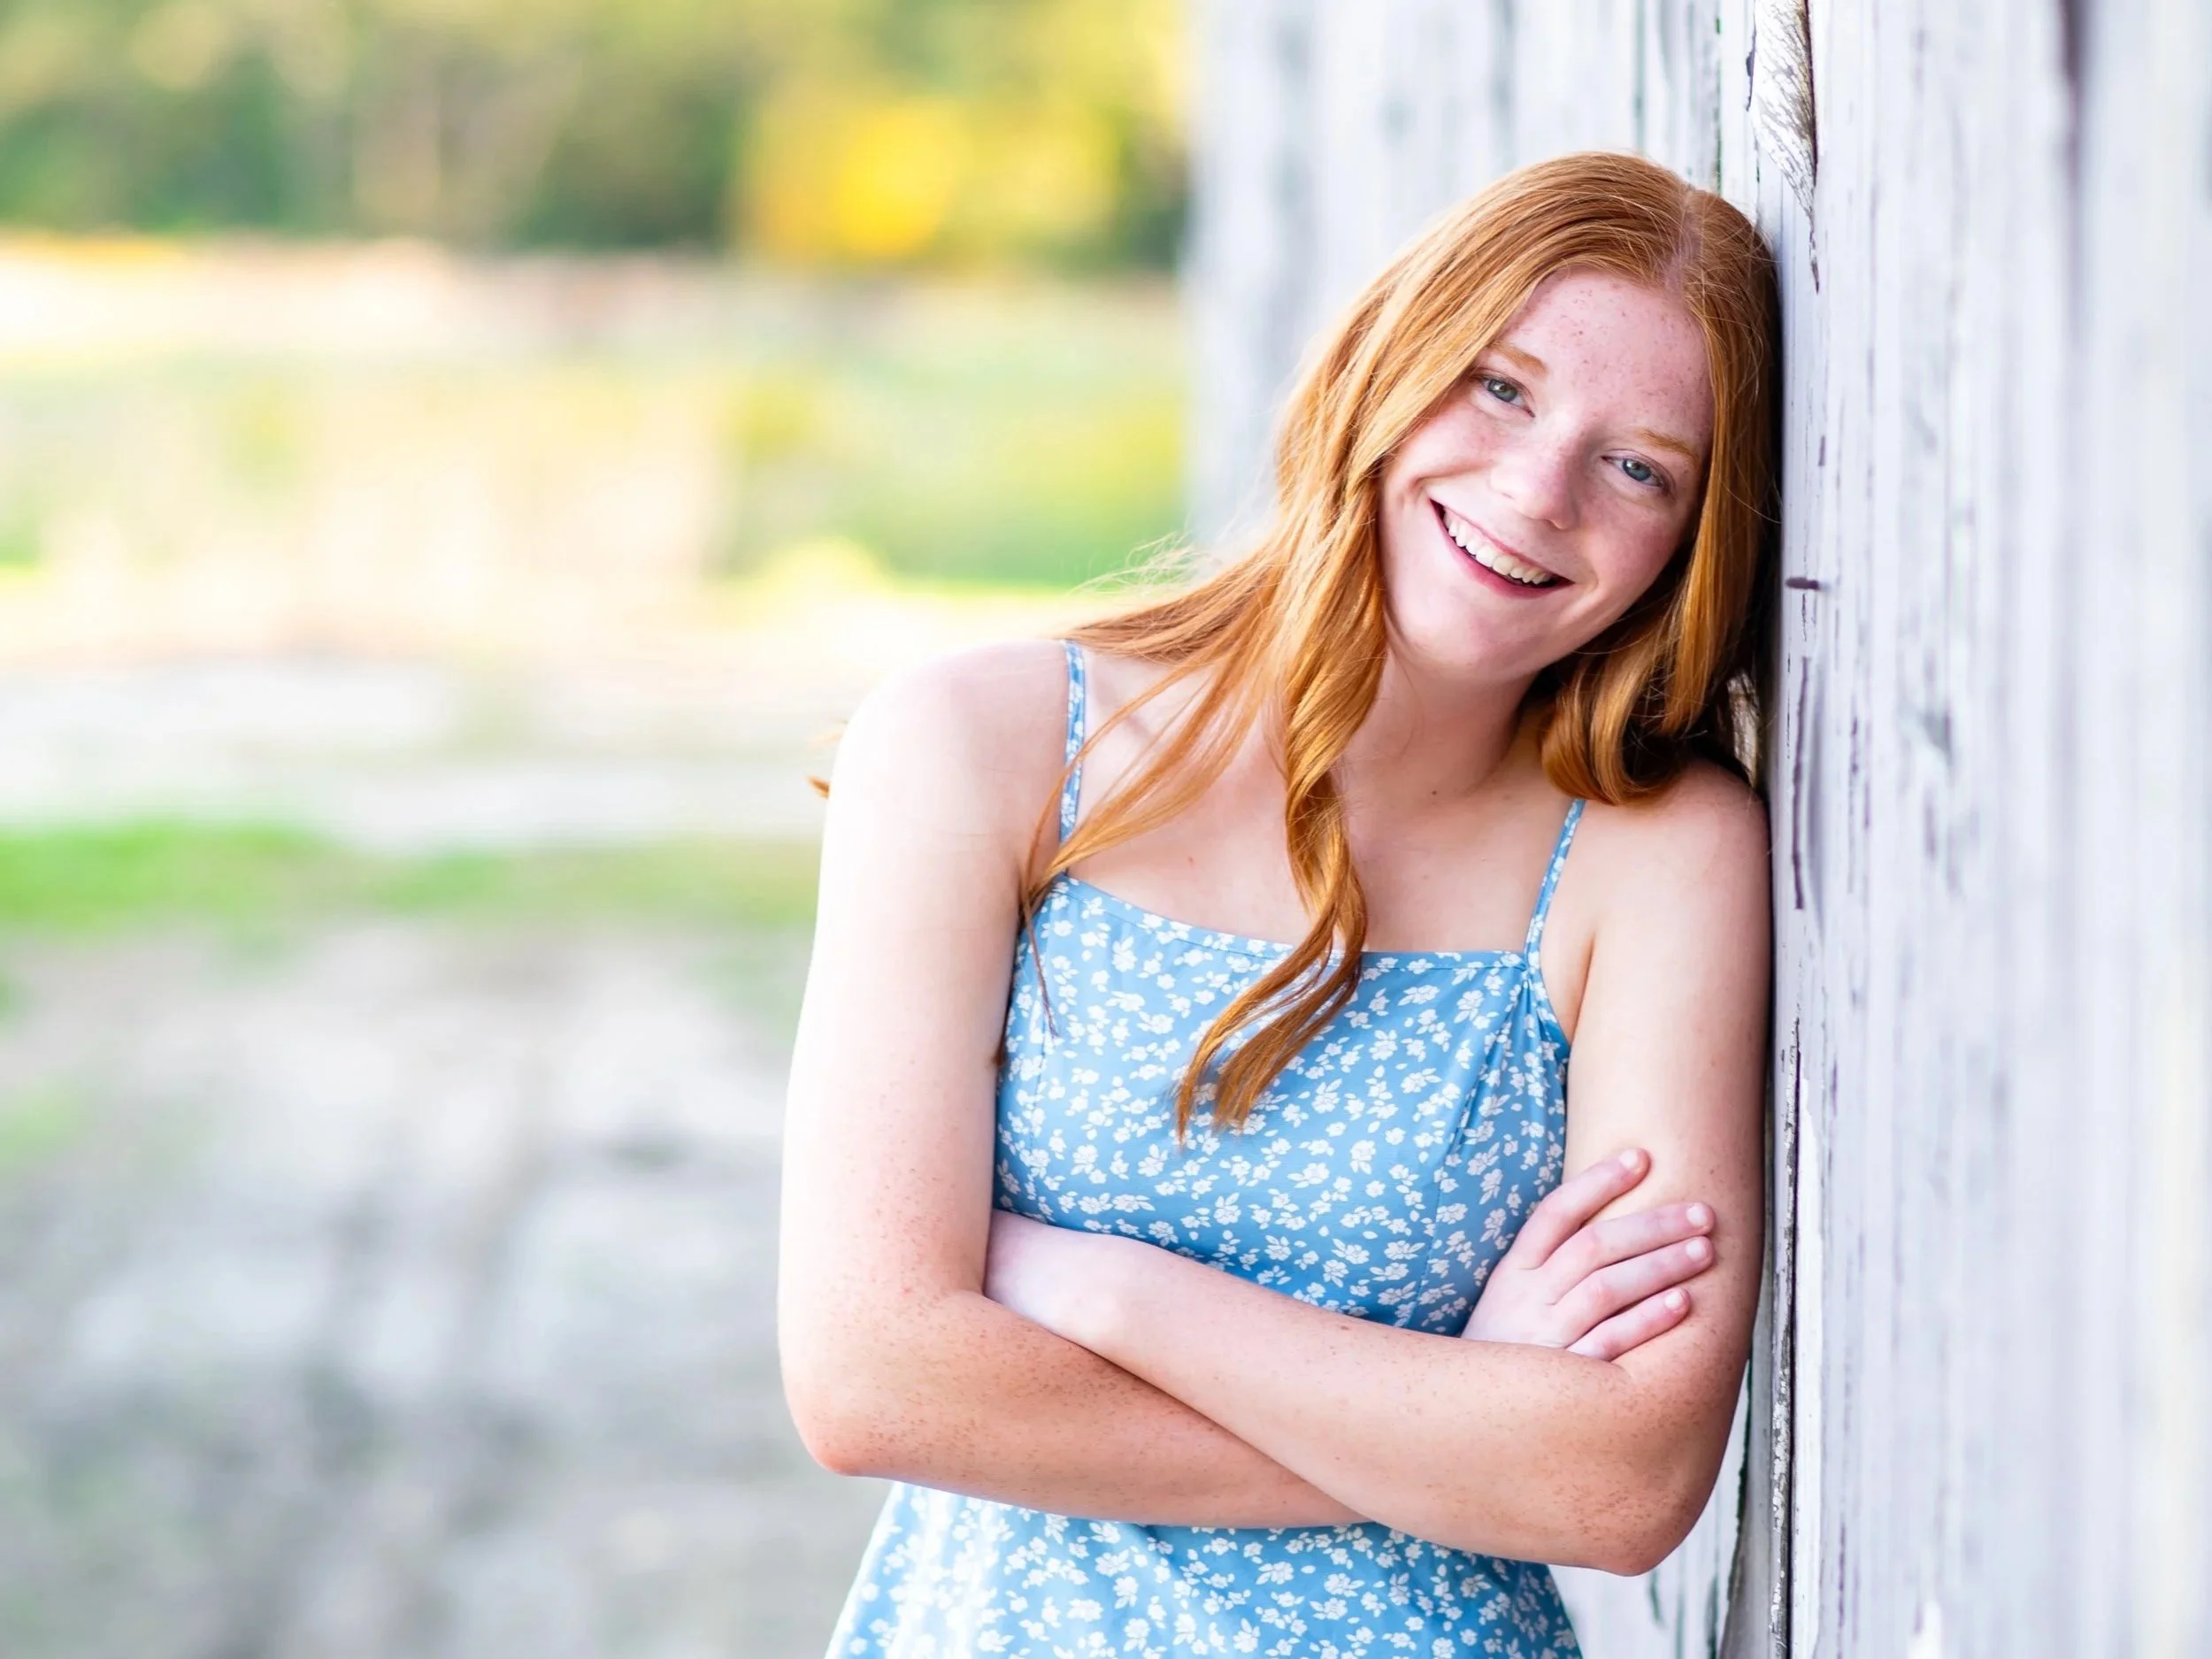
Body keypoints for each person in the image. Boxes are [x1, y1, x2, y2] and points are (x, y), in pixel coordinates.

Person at [780, 150, 1778, 1659]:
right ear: (1389, 359)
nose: (1537, 491)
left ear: (1693, 544)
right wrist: (1451, 1422)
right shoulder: (980, 749)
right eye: (1498, 389)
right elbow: (872, 1379)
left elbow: (1617, 1475)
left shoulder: (1656, 856)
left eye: (1638, 466)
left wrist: (1102, 1291)